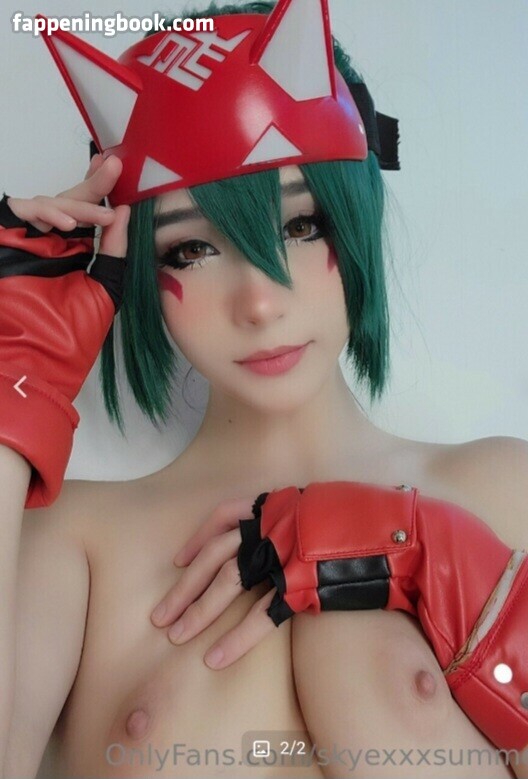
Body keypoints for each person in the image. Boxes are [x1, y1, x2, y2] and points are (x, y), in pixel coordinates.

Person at [1, 2, 527, 779]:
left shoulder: (503, 488)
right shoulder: (75, 542)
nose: (258, 302)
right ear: (133, 265)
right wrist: (13, 384)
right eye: (191, 248)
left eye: (301, 226)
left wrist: (435, 559)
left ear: (356, 219)